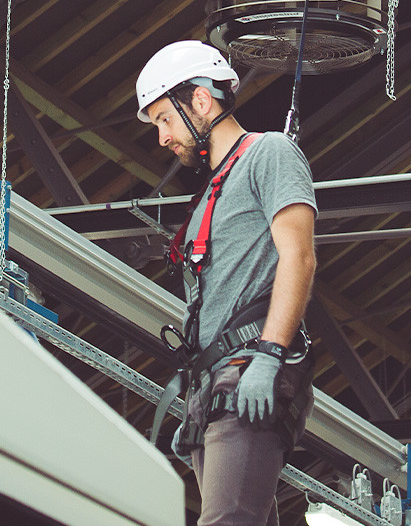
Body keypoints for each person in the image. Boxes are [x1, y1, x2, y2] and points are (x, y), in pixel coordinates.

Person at [136, 40, 318, 526]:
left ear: (200, 99)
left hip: (250, 368)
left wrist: (271, 354)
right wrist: (195, 404)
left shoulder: (270, 153)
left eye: (163, 119)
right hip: (215, 384)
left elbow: (298, 257)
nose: (162, 138)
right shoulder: (208, 196)